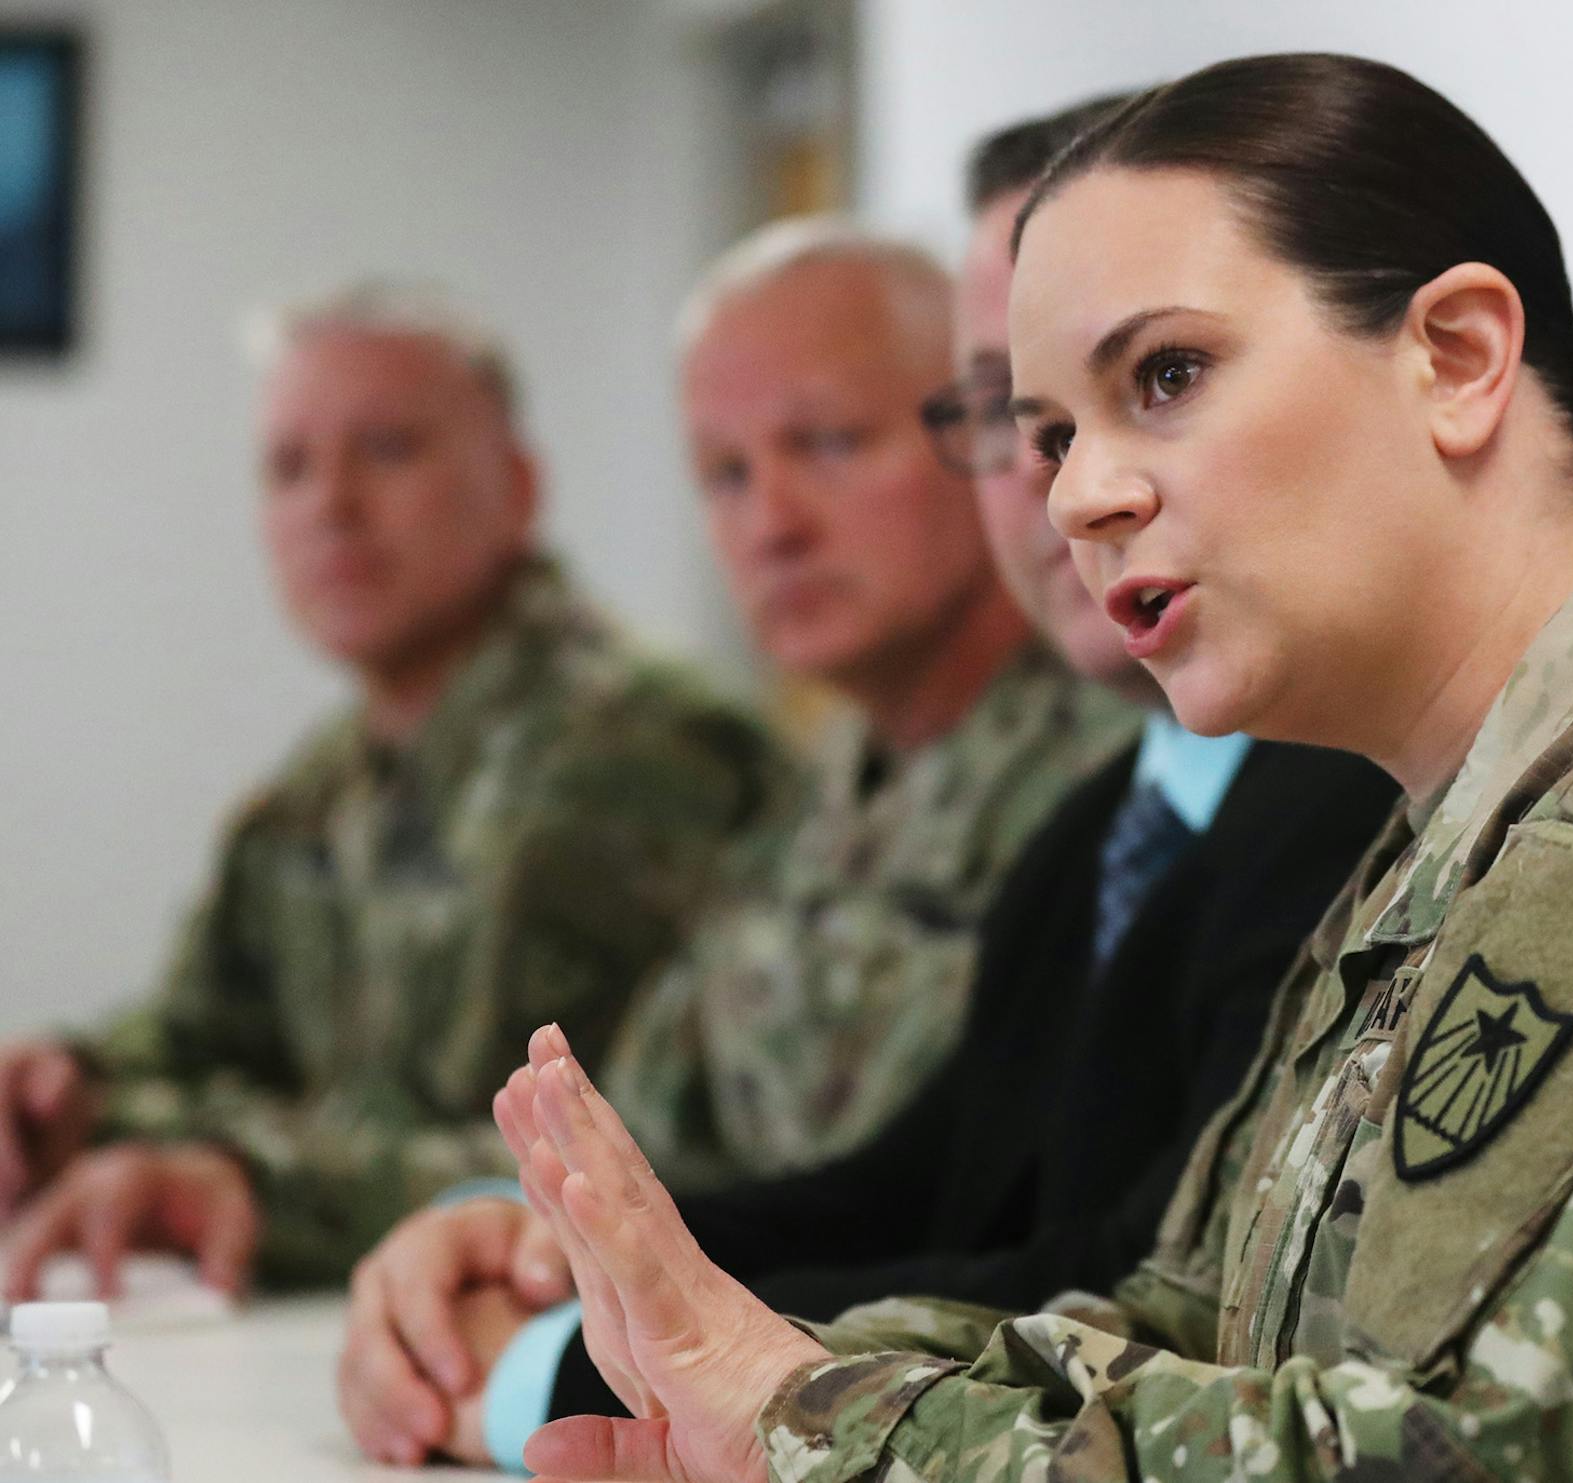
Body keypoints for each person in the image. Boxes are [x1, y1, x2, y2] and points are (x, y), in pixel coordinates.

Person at [490, 52, 1573, 1483]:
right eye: (1053, 431)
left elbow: (1473, 1461)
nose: (1077, 499)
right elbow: (1186, 1321)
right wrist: (728, 1375)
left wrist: (799, 1407)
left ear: (1454, 356)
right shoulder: (1469, 817)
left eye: (1166, 378)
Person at [332, 102, 1397, 1471]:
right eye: (1009, 408)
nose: (1051, 479)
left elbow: (1163, 1285)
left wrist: (569, 1353)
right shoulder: (1101, 832)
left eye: (1153, 379)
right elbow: (915, 1176)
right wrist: (553, 1243)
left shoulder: (1356, 791)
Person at [332, 222, 1140, 1467]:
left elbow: (1034, 1243)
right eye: (722, 471)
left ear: (986, 439)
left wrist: (554, 1349)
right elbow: (658, 1131)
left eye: (826, 443)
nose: (772, 521)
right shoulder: (816, 799)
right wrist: (503, 1230)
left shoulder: (1126, 784)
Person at [0, 282, 788, 1297]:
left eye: (386, 450)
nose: (331, 506)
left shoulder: (649, 757)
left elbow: (653, 1159)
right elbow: (207, 1033)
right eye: (289, 466)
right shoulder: (317, 788)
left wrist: (252, 1182)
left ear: (516, 486)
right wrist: (68, 1083)